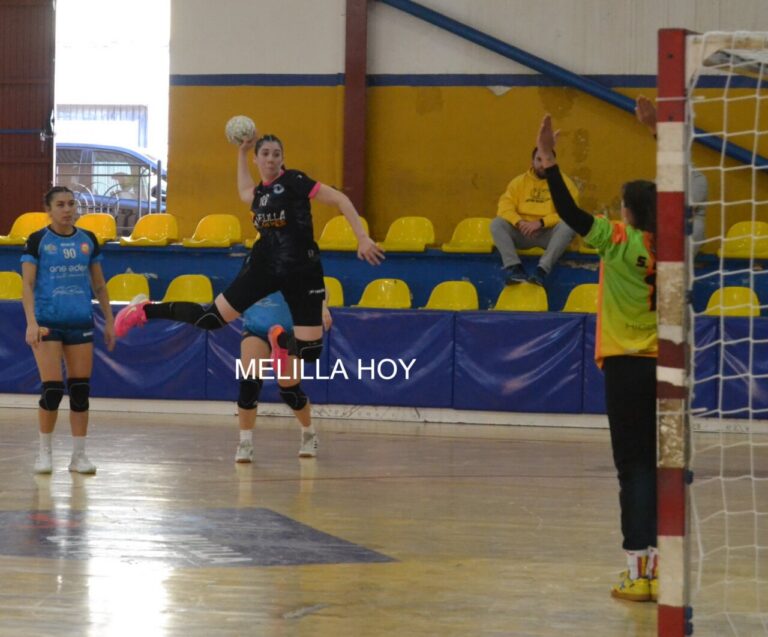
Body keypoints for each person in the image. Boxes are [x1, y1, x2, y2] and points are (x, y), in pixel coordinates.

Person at [113, 129, 383, 389]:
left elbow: (341, 199)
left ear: (282, 158)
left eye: (276, 154)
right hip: (265, 266)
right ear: (257, 159)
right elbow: (244, 190)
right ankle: (144, 310)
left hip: (303, 270)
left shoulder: (295, 182)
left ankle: (280, 343)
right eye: (265, 153)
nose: (271, 158)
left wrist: (362, 237)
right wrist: (241, 153)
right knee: (211, 319)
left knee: (310, 352)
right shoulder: (259, 194)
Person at [536, 114, 659, 602]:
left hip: (627, 367)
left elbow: (569, 211)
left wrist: (549, 162)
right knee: (659, 467)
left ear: (627, 213)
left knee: (631, 468)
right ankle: (662, 567)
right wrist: (659, 137)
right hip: (667, 367)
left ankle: (637, 570)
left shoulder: (617, 239)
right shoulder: (670, 246)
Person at [21, 186, 116, 475]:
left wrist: (110, 320)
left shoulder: (88, 240)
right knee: (52, 391)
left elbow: (99, 285)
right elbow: (27, 285)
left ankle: (79, 456)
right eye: (60, 205)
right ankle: (44, 453)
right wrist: (31, 323)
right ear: (48, 210)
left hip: (80, 323)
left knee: (80, 390)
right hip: (48, 322)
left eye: (71, 204)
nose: (67, 209)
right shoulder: (38, 240)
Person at [235, 292, 332, 462]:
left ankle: (309, 433)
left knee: (289, 391)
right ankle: (245, 442)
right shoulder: (250, 268)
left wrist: (322, 306)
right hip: (255, 330)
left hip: (289, 332)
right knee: (249, 384)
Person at [491, 146, 580, 286]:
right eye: (539, 159)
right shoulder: (518, 182)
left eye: (547, 160)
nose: (543, 164)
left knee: (569, 225)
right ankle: (515, 269)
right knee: (497, 224)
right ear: (532, 161)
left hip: (548, 234)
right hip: (522, 232)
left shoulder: (565, 183)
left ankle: (541, 271)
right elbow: (504, 207)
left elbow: (570, 211)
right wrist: (519, 222)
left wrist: (542, 222)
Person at [635, 95, 709, 253]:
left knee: (692, 226)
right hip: (657, 234)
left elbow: (677, 216)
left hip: (682, 235)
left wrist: (655, 127)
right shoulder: (659, 180)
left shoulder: (698, 180)